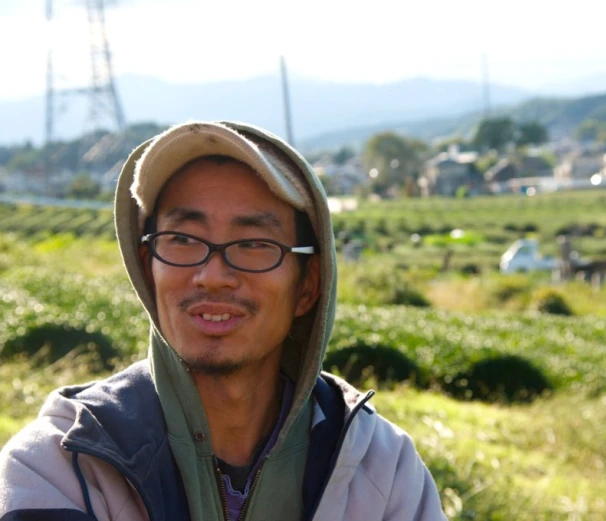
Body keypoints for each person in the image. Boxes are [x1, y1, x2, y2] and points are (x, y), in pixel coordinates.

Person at [0, 121, 447, 521]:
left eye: (254, 244)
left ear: (308, 285)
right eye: (181, 239)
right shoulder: (60, 465)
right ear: (146, 265)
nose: (212, 276)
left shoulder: (381, 470)